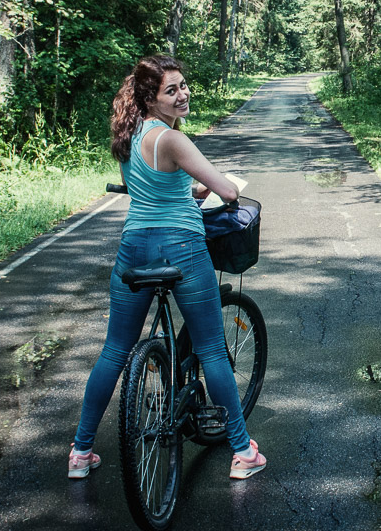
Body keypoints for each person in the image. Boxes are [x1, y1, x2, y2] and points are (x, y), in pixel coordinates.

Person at [68, 54, 265, 481]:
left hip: (134, 246)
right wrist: (220, 190)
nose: (182, 94)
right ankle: (242, 451)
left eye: (183, 85)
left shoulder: (128, 133)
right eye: (170, 90)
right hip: (181, 247)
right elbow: (227, 190)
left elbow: (157, 185)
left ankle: (80, 452)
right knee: (212, 349)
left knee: (114, 351)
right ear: (151, 98)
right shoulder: (173, 140)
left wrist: (188, 189)